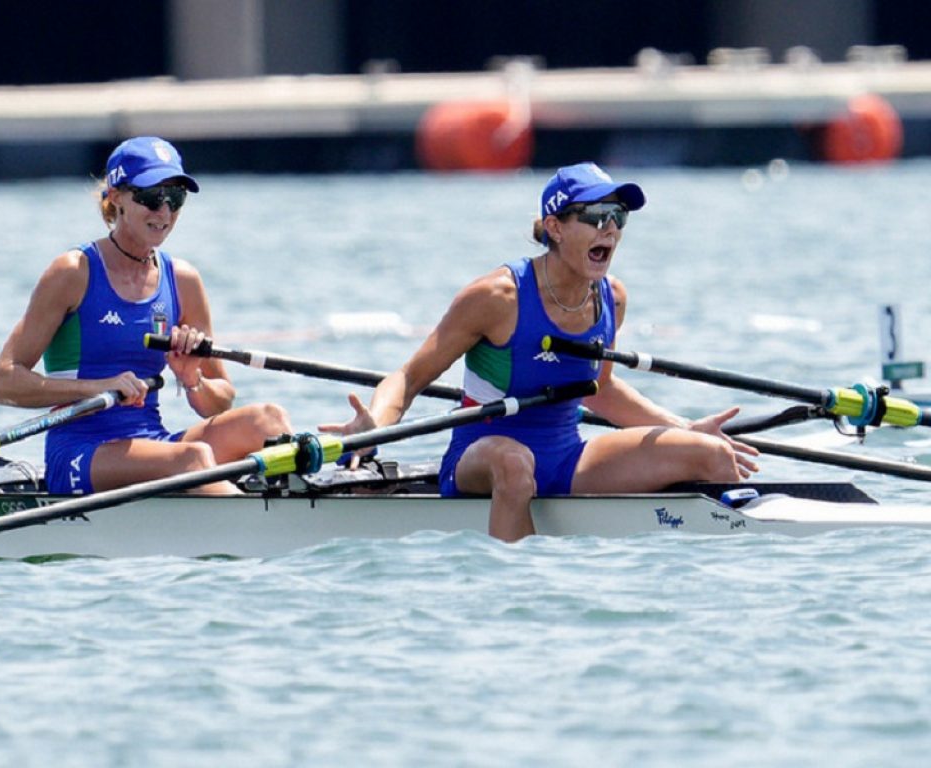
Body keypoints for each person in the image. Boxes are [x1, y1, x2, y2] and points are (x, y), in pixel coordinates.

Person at [321, 161, 760, 541]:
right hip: (484, 454)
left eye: (618, 216)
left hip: (566, 456)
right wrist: (373, 427)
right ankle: (520, 602)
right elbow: (410, 377)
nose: (609, 227)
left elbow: (599, 391)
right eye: (594, 215)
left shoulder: (612, 299)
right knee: (516, 464)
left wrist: (686, 427)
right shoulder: (498, 297)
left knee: (713, 454)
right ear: (554, 227)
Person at [0, 136, 291, 495]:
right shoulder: (73, 271)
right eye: (150, 198)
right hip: (80, 452)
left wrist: (192, 379)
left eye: (175, 198)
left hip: (154, 441)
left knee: (267, 421)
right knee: (193, 459)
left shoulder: (183, 280)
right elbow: (2, 383)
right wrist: (98, 387)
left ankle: (288, 510)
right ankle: (262, 532)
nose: (164, 213)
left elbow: (220, 402)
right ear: (116, 198)